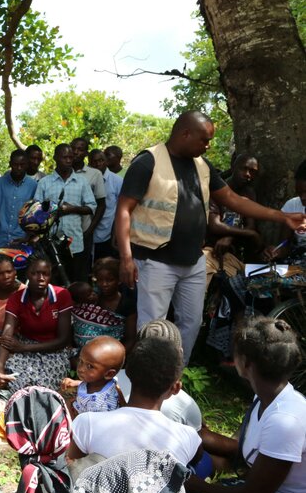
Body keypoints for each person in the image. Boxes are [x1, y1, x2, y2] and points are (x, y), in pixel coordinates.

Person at [114, 111, 305, 364]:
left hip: (193, 261)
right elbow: (124, 210)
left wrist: (282, 217)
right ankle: (147, 385)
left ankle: (174, 378)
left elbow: (233, 200)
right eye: (204, 140)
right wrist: (126, 257)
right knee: (153, 327)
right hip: (156, 261)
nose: (208, 146)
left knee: (191, 323)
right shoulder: (148, 162)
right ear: (185, 133)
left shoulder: (203, 166)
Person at [187, 317, 306, 493]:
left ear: (246, 362)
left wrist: (192, 484)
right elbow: (245, 453)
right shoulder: (266, 397)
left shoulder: (285, 421)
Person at [67, 330, 202, 467]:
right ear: (176, 388)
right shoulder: (187, 437)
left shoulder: (86, 423)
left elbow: (70, 465)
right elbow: (195, 463)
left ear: (127, 373)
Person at [0, 257, 74, 391]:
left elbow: (63, 340)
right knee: (14, 381)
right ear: (27, 274)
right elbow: (6, 337)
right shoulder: (16, 298)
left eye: (45, 274)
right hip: (24, 344)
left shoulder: (61, 295)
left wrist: (25, 347)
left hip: (54, 350)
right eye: (35, 273)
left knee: (43, 386)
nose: (41, 278)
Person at [34, 144, 96, 283]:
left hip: (75, 243)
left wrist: (72, 209)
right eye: (64, 157)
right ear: (55, 158)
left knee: (76, 282)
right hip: (51, 244)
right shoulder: (45, 182)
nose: (68, 160)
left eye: (70, 157)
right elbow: (36, 211)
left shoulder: (81, 182)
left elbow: (91, 207)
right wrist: (53, 212)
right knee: (54, 283)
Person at [203, 154, 264, 287]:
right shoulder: (216, 189)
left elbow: (251, 226)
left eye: (253, 172)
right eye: (244, 169)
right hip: (211, 250)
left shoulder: (249, 193)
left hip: (234, 256)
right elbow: (215, 225)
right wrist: (251, 234)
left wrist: (230, 236)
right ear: (233, 167)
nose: (248, 174)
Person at [71, 257, 137, 349]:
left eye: (109, 280)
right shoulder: (89, 298)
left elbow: (130, 339)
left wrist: (113, 357)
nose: (104, 284)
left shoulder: (127, 304)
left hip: (112, 353)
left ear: (119, 280)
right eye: (100, 280)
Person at [70, 138, 107, 281]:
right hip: (62, 233)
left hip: (84, 231)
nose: (75, 152)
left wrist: (90, 230)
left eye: (80, 149)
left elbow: (101, 205)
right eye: (73, 148)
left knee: (81, 272)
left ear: (86, 153)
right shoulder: (62, 172)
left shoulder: (94, 174)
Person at [0, 148, 37, 248]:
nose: (19, 168)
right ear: (10, 164)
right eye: (15, 164)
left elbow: (34, 216)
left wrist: (28, 238)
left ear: (27, 165)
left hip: (22, 240)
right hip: (0, 240)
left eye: (22, 165)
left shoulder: (33, 186)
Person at [72, 336, 125, 415]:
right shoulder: (97, 381)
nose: (81, 369)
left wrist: (70, 410)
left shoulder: (99, 406)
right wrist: (76, 383)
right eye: (81, 361)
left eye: (90, 366)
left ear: (109, 374)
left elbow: (89, 426)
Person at [89, 148, 123, 260]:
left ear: (106, 161)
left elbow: (121, 210)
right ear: (89, 163)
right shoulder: (85, 180)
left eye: (101, 160)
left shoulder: (117, 181)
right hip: (87, 233)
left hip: (107, 234)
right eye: (94, 161)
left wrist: (116, 234)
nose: (98, 164)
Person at [272, 159, 306, 260]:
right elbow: (285, 244)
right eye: (299, 193)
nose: (303, 198)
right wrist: (276, 252)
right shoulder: (292, 205)